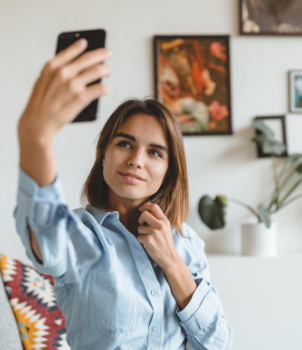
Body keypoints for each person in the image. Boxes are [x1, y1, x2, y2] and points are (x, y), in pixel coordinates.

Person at [14, 38, 233, 349]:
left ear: (169, 171)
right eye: (124, 143)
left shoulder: (187, 245)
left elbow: (218, 344)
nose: (136, 159)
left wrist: (171, 261)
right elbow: (46, 238)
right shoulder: (81, 235)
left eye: (155, 152)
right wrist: (35, 138)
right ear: (104, 155)